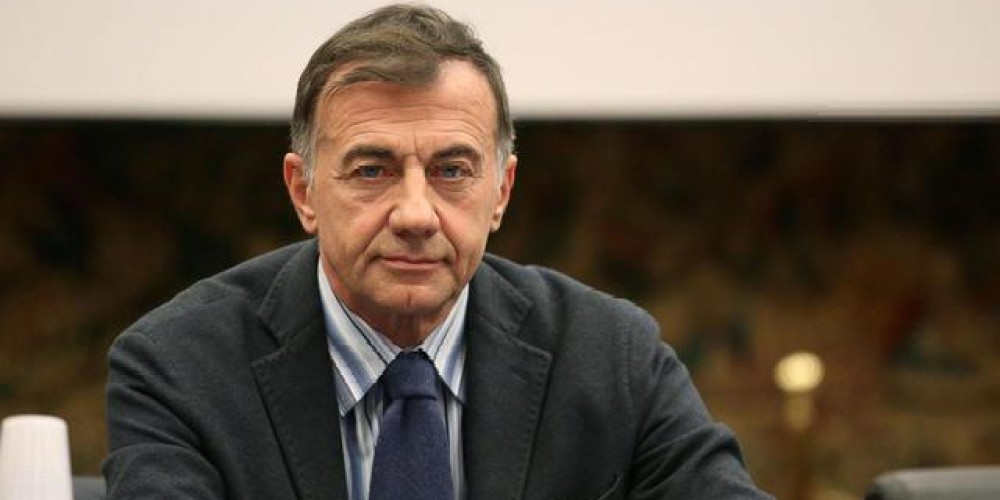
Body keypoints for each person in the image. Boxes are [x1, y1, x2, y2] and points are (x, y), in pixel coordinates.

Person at [103, 4, 773, 500]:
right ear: (303, 191)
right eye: (372, 170)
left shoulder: (611, 356)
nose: (417, 215)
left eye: (453, 171)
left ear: (501, 191)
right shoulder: (179, 368)